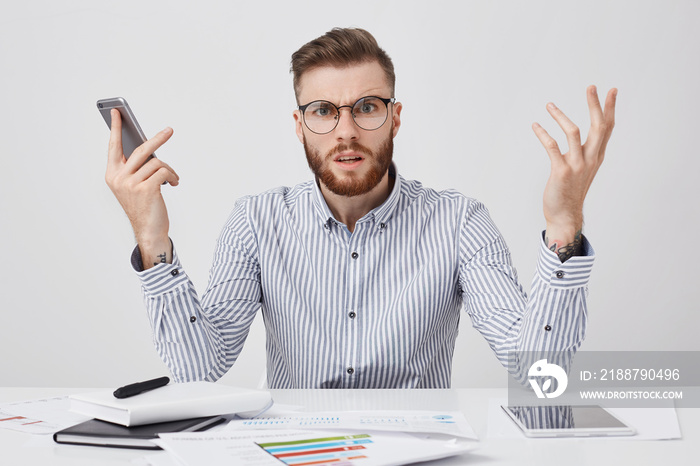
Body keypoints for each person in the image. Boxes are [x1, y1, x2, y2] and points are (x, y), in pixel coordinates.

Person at [105, 28, 617, 389]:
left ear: (395, 119)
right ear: (299, 124)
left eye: (367, 107)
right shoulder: (256, 222)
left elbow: (536, 369)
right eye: (324, 111)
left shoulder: (460, 222)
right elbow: (200, 369)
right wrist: (152, 242)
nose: (346, 131)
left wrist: (564, 225)